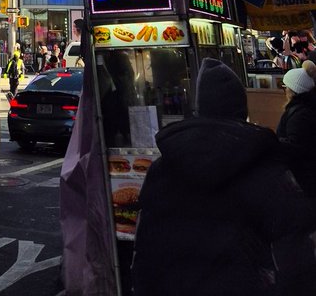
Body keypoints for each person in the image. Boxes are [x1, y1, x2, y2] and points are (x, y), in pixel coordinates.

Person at [132, 58, 316, 296]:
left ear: (200, 109)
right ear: (242, 110)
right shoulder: (268, 172)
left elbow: (145, 252)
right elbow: (297, 255)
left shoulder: (162, 170)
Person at [276, 66, 316, 198]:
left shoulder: (299, 114)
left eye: (285, 87)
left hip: (303, 178)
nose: (285, 90)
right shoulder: (305, 108)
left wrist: (274, 142)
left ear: (292, 90)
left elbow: (296, 146)